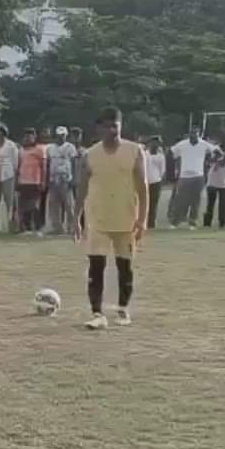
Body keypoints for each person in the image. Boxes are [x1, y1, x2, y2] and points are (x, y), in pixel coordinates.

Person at [74, 106, 148, 330]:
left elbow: (143, 188)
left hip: (126, 219)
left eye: (115, 126)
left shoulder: (135, 151)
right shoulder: (90, 155)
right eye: (107, 127)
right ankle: (97, 313)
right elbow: (82, 188)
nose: (112, 131)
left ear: (121, 126)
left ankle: (122, 309)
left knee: (124, 266)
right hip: (98, 218)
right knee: (96, 265)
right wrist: (76, 218)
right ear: (99, 129)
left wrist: (142, 219)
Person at [167, 127, 214, 229]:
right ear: (189, 135)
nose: (193, 136)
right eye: (192, 134)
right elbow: (171, 152)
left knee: (195, 201)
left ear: (199, 135)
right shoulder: (182, 144)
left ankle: (192, 222)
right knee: (181, 200)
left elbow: (216, 151)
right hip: (184, 176)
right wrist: (173, 166)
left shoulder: (204, 144)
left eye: (196, 134)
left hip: (198, 176)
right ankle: (175, 221)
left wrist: (210, 162)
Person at [16, 128, 47, 236]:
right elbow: (19, 166)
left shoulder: (40, 149)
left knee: (35, 206)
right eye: (26, 136)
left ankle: (38, 228)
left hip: (35, 181)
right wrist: (17, 181)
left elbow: (43, 167)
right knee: (24, 207)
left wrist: (43, 181)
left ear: (34, 137)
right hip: (23, 181)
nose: (28, 138)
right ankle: (27, 228)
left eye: (30, 136)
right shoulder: (21, 150)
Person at [204, 133, 225, 229]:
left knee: (224, 204)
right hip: (213, 180)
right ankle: (207, 223)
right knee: (210, 203)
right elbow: (210, 161)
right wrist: (219, 158)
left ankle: (223, 223)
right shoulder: (215, 149)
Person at [0, 127, 20, 233]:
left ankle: (12, 226)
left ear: (4, 134)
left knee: (10, 202)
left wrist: (15, 176)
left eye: (1, 133)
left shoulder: (11, 145)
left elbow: (15, 162)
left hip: (8, 175)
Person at [144, 136, 167, 229]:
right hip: (144, 182)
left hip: (156, 182)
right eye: (153, 142)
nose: (155, 145)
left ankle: (151, 224)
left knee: (153, 204)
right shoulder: (144, 154)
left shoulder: (161, 156)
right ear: (150, 143)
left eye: (157, 143)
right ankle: (143, 222)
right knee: (144, 203)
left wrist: (160, 180)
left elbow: (162, 171)